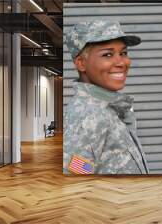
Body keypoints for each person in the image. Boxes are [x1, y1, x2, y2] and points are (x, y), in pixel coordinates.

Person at [63, 20, 149, 174]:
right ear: (81, 63)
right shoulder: (86, 117)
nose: (121, 62)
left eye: (123, 53)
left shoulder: (109, 107)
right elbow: (74, 174)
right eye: (107, 54)